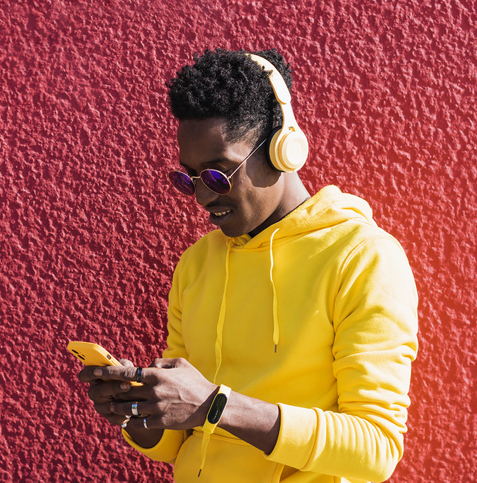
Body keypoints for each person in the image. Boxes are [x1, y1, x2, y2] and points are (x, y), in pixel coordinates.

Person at [78, 49, 418, 483]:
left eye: (219, 174)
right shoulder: (197, 264)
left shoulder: (362, 258)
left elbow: (375, 449)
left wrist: (214, 405)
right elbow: (179, 441)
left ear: (282, 148)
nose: (202, 198)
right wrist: (141, 412)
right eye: (189, 178)